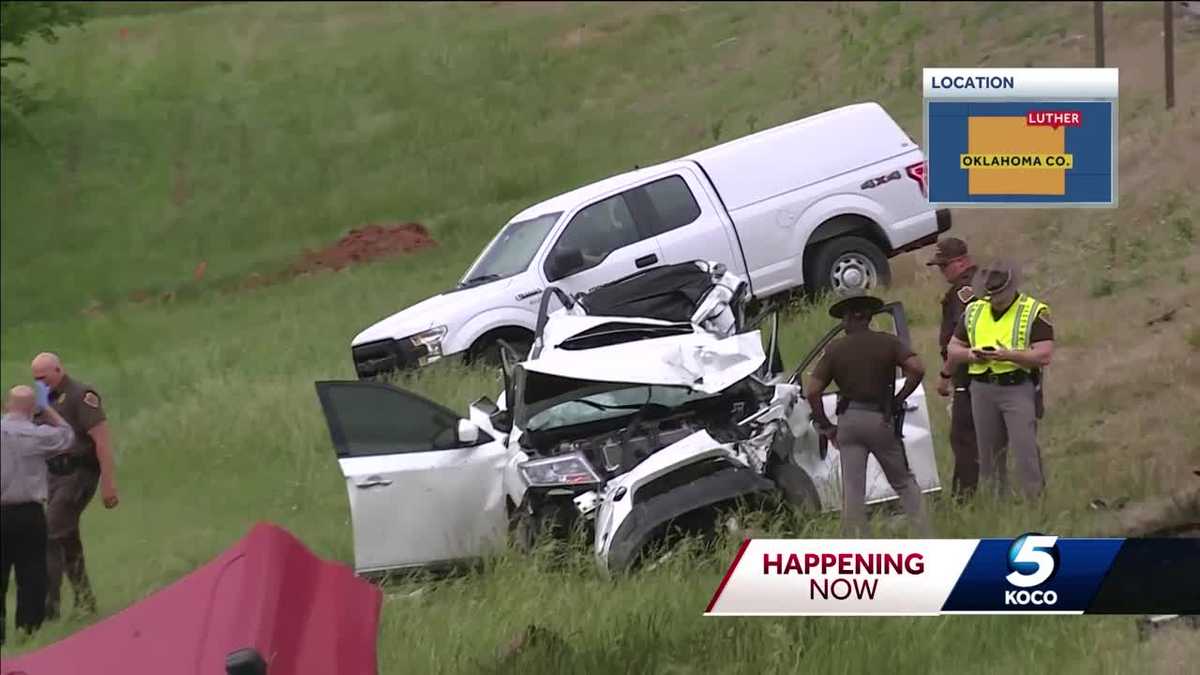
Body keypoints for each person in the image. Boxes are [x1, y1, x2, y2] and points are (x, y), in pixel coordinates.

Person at [806, 292, 933, 537]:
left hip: (849, 422)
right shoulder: (888, 342)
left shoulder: (835, 349)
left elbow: (812, 391)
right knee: (904, 482)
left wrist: (826, 426)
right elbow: (917, 369)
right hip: (879, 419)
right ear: (868, 317)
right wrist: (898, 399)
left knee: (853, 490)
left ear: (848, 319)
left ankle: (858, 547)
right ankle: (925, 536)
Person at [947, 259, 1054, 500]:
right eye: (991, 294)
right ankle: (997, 503)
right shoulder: (974, 311)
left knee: (1024, 447)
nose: (995, 299)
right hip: (982, 388)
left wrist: (1009, 355)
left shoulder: (1033, 311)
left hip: (1016, 386)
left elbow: (1044, 354)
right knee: (989, 454)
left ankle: (1035, 501)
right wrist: (970, 355)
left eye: (1000, 294)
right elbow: (953, 347)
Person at [30, 352, 119, 620]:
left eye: (43, 378)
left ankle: (49, 609)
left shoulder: (82, 395)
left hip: (79, 473)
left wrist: (108, 485)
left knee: (51, 535)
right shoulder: (44, 402)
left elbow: (102, 441)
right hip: (54, 476)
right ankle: (86, 600)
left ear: (58, 370)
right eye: (35, 380)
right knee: (66, 537)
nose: (40, 384)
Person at [1, 384, 76, 645]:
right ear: (32, 409)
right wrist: (48, 410)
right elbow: (67, 436)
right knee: (32, 572)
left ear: (7, 406)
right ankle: (28, 630)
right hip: (29, 512)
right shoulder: (38, 435)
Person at [925, 237, 981, 499]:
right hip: (984, 371)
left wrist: (946, 373)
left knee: (964, 438)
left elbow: (963, 333)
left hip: (969, 375)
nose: (941, 271)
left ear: (960, 262)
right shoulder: (984, 281)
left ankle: (964, 498)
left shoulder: (964, 291)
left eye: (944, 266)